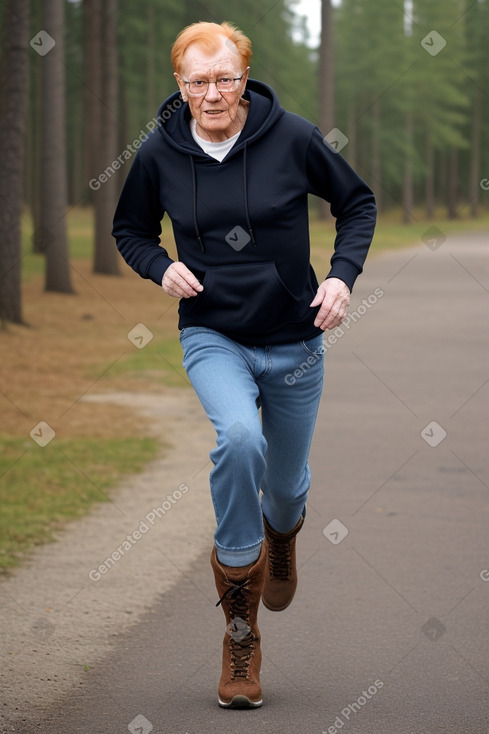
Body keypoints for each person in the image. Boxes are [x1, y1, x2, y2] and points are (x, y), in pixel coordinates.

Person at [112, 20, 376, 709]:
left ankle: (280, 535)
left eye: (224, 77)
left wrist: (341, 276)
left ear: (244, 76)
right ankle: (240, 633)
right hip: (213, 334)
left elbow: (356, 203)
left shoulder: (293, 138)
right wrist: (161, 266)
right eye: (197, 81)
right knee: (238, 439)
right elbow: (130, 230)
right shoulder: (159, 153)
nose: (212, 93)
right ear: (179, 84)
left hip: (294, 338)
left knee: (284, 489)